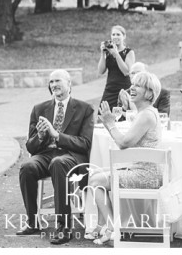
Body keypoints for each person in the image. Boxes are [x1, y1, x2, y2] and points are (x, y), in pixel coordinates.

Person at [17, 69, 94, 244]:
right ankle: (33, 222)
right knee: (27, 166)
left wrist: (57, 135)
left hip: (70, 156)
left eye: (57, 81)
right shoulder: (39, 109)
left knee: (58, 163)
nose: (53, 85)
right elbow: (31, 146)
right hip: (45, 155)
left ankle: (64, 227)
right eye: (51, 82)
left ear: (69, 84)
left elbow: (85, 143)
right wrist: (42, 136)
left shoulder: (84, 109)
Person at [87, 71, 164, 245]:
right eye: (133, 84)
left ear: (149, 92)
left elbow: (123, 143)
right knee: (96, 176)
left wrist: (110, 123)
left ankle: (114, 229)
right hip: (141, 170)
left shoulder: (146, 115)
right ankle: (108, 228)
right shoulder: (145, 112)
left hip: (146, 174)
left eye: (137, 85)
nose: (132, 87)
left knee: (95, 182)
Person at [98, 25, 135, 110]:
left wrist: (116, 54)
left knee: (121, 117)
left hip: (123, 89)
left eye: (118, 34)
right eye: (113, 34)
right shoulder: (108, 52)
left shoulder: (129, 52)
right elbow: (100, 71)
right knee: (102, 113)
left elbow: (126, 72)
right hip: (110, 89)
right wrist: (103, 53)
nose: (115, 37)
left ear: (124, 36)